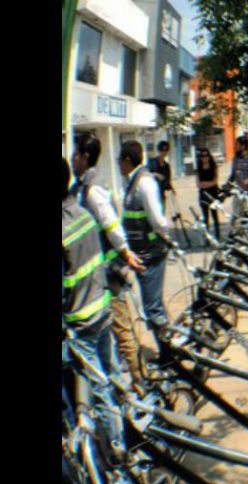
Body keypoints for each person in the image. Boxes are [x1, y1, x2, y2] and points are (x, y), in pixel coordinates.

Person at [62, 157, 126, 463]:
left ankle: (117, 450)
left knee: (98, 389)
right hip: (101, 309)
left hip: (81, 322)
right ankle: (126, 427)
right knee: (113, 375)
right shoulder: (84, 215)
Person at [70, 133, 146, 386]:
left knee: (121, 329)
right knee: (112, 332)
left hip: (109, 272)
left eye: (76, 154)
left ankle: (141, 384)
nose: (72, 158)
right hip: (99, 272)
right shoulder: (82, 187)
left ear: (85, 157)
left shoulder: (92, 190)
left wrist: (126, 252)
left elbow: (111, 224)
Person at [119, 141, 172, 342]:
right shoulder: (132, 181)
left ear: (127, 160)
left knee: (153, 308)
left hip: (152, 253)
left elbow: (158, 221)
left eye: (119, 161)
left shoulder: (144, 183)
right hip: (142, 254)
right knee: (153, 304)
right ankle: (167, 344)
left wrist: (166, 237)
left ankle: (168, 351)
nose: (118, 165)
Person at [196, 147, 221, 240]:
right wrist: (207, 184)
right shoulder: (198, 169)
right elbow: (198, 184)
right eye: (202, 156)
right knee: (205, 217)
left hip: (213, 194)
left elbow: (215, 181)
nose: (205, 158)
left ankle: (217, 236)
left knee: (215, 216)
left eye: (206, 156)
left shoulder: (214, 166)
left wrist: (207, 184)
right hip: (203, 195)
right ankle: (207, 238)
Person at [147, 140, 174, 209]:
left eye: (166, 150)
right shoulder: (152, 162)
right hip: (151, 194)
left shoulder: (166, 166)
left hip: (161, 194)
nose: (164, 152)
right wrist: (155, 175)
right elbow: (145, 174)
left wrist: (171, 190)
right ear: (159, 150)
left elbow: (168, 181)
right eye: (162, 150)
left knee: (161, 213)